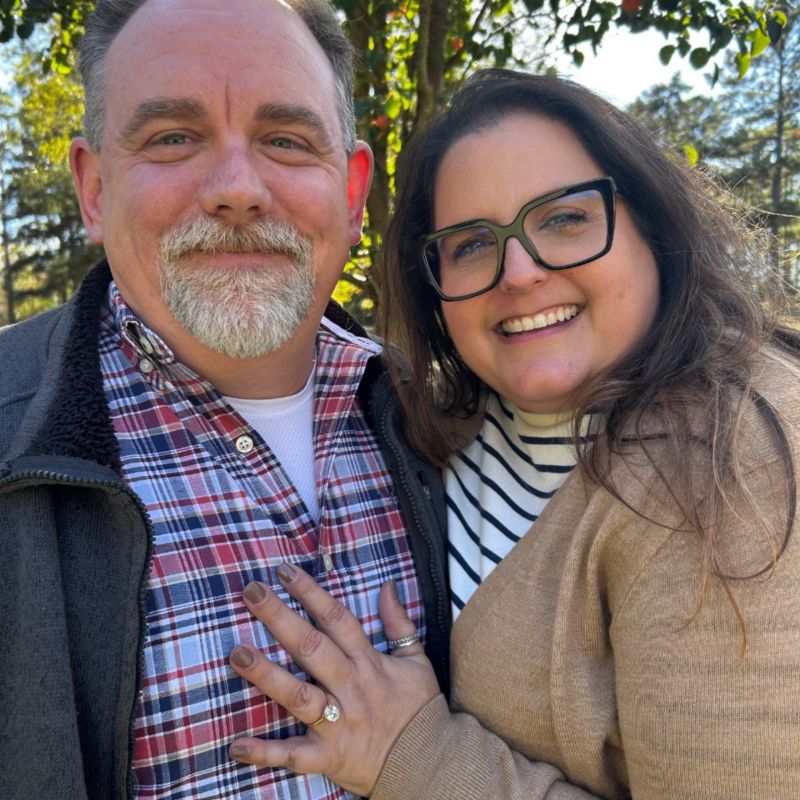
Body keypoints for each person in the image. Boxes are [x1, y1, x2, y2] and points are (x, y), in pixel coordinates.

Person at [225, 69, 800, 799]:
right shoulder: (447, 421)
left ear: (651, 227)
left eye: (564, 219)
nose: (519, 273)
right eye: (471, 244)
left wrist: (415, 755)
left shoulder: (738, 457)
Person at [0, 1, 452, 798]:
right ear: (95, 188)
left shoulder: (449, 421)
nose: (238, 190)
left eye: (286, 141)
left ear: (353, 194)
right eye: (173, 138)